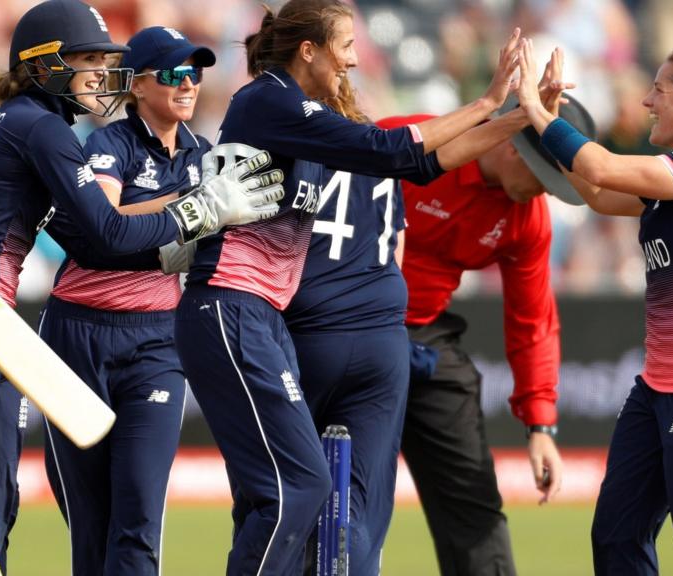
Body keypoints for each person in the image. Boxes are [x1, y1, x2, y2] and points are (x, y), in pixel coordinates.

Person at [173, 0, 523, 572]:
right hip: (231, 304)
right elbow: (392, 150)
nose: (355, 61)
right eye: (346, 46)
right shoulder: (270, 100)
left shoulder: (305, 125)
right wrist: (485, 103)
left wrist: (512, 120)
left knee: (304, 494)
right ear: (307, 49)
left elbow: (416, 165)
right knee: (294, 492)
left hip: (264, 318)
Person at [0, 1, 282, 570]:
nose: (100, 73)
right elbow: (109, 233)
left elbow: (87, 240)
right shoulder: (45, 129)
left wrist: (189, 212)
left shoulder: (17, 122)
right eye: (86, 59)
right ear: (44, 63)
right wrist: (201, 209)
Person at [515, 40, 673, 574]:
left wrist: (538, 115)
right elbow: (595, 191)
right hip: (660, 386)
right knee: (617, 538)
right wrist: (547, 117)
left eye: (658, 89)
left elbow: (605, 169)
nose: (646, 102)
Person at [375, 74, 586, 574]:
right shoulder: (410, 141)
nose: (548, 194)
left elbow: (533, 318)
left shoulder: (527, 214)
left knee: (473, 503)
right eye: (547, 179)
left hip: (424, 333)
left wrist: (540, 425)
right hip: (347, 328)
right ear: (516, 151)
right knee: (333, 492)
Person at [38, 26, 215, 576]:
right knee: (91, 524)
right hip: (76, 336)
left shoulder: (205, 155)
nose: (188, 85)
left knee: (138, 516)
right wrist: (190, 204)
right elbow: (106, 224)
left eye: (196, 73)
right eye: (173, 73)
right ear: (136, 85)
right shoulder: (108, 144)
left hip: (158, 339)